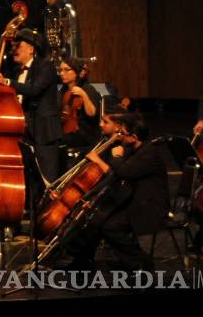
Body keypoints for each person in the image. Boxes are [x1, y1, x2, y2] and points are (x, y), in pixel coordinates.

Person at [64, 113, 167, 271]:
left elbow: (124, 172)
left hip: (149, 206)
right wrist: (91, 197)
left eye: (122, 133)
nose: (120, 136)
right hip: (133, 201)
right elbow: (116, 177)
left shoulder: (150, 154)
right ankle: (82, 262)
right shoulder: (134, 149)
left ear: (133, 137)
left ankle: (142, 264)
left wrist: (117, 157)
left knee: (111, 227)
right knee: (97, 218)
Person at [0, 28, 62, 184]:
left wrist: (7, 82)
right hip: (25, 132)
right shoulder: (17, 71)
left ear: (31, 49)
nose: (14, 49)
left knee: (47, 180)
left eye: (18, 46)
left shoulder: (45, 66)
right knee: (30, 181)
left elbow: (34, 89)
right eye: (13, 46)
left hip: (44, 132)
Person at [59, 58, 102, 149]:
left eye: (66, 70)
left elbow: (92, 113)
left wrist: (84, 95)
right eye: (60, 70)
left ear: (77, 72)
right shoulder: (63, 91)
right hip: (67, 129)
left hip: (84, 133)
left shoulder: (88, 89)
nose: (62, 73)